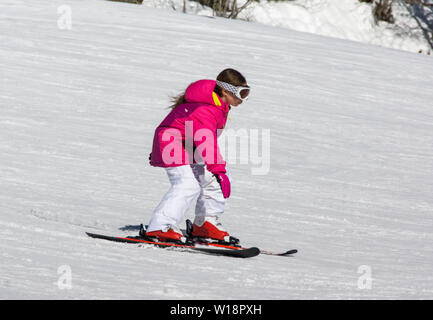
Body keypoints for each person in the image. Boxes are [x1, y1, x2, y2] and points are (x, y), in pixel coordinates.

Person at [145, 68, 250, 243]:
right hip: (173, 142)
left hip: (188, 144)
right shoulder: (206, 109)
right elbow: (206, 141)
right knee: (188, 185)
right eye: (241, 93)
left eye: (247, 93)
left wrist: (218, 171)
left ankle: (205, 224)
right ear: (225, 90)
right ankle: (160, 226)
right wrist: (218, 169)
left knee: (213, 179)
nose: (243, 99)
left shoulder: (218, 106)